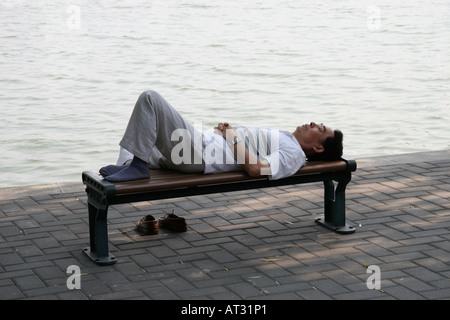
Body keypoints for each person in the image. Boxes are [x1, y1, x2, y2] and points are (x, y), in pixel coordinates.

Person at [99, 90, 343, 182]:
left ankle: (138, 166)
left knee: (149, 99)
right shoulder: (286, 139)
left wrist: (231, 137)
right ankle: (130, 163)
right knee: (140, 132)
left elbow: (257, 170)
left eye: (319, 128)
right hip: (197, 147)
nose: (313, 123)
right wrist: (224, 133)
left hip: (198, 155)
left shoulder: (293, 155)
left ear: (319, 148)